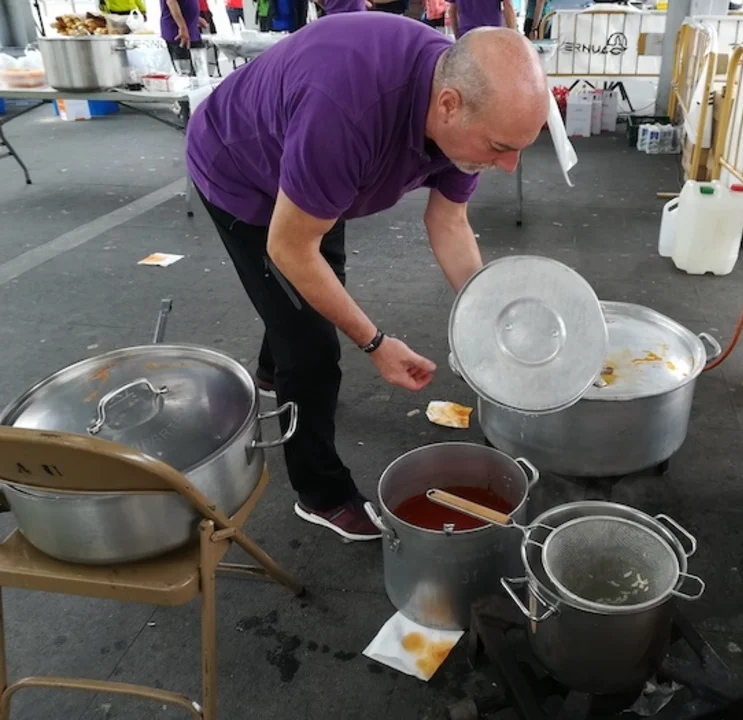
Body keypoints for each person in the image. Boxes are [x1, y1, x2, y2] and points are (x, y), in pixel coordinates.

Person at [186, 16, 549, 540]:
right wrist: (376, 343)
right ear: (448, 105)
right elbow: (290, 247)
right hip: (241, 171)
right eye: (499, 147)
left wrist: (492, 318)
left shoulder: (465, 101)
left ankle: (270, 370)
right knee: (311, 346)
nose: (509, 165)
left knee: (313, 289)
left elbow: (449, 222)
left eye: (520, 147)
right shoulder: (347, 113)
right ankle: (321, 494)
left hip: (319, 171)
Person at [162, 0, 207, 69]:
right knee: (185, 71)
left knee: (199, 68)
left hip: (192, 31)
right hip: (178, 33)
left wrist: (196, 18)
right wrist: (182, 27)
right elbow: (171, 2)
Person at [448, 0, 515, 37]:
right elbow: (508, 5)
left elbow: (452, 10)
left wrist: (457, 36)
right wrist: (513, 35)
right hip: (492, 33)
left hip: (466, 34)